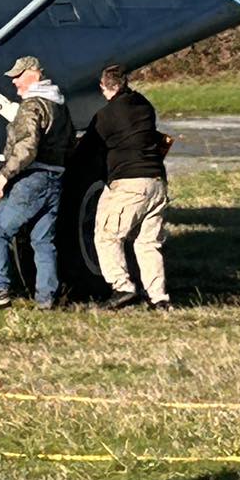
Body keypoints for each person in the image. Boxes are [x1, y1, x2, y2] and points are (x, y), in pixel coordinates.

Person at [0, 53, 73, 311]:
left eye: (18, 77)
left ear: (33, 74)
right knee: (42, 240)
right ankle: (46, 298)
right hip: (55, 178)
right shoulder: (59, 105)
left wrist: (4, 176)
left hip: (32, 178)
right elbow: (70, 143)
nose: (14, 83)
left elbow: (27, 147)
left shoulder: (32, 106)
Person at [75, 63, 171, 310]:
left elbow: (87, 150)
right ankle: (158, 298)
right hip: (157, 182)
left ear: (103, 87)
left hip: (129, 183)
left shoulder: (106, 117)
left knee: (107, 236)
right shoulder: (143, 106)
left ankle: (122, 288)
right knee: (148, 243)